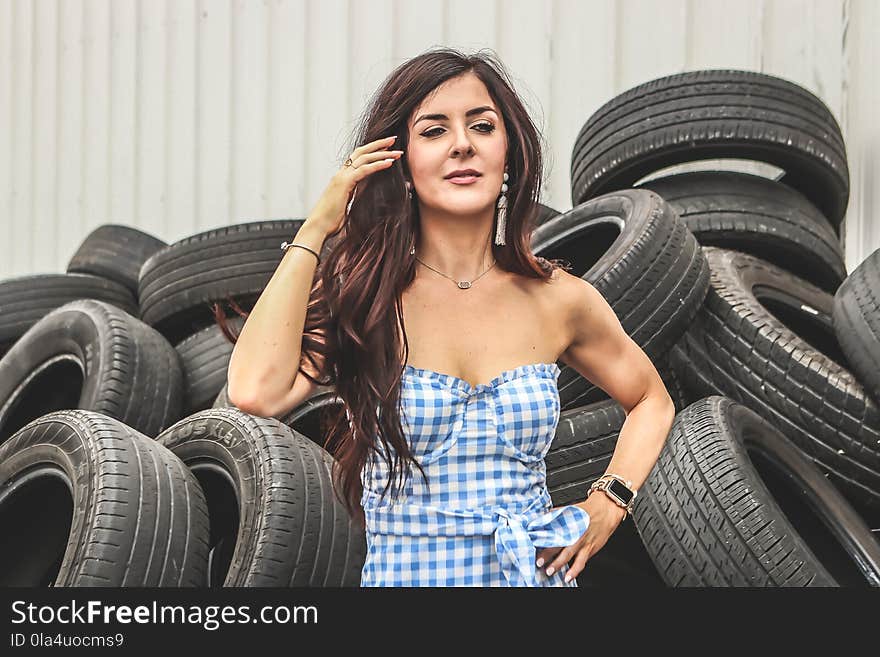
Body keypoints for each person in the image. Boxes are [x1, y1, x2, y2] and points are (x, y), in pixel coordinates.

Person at [225, 48, 676, 587]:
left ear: (508, 153)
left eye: (482, 126)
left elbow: (651, 400)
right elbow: (255, 391)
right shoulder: (364, 296)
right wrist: (317, 228)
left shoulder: (558, 299)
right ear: (401, 162)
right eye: (434, 131)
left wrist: (608, 504)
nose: (462, 143)